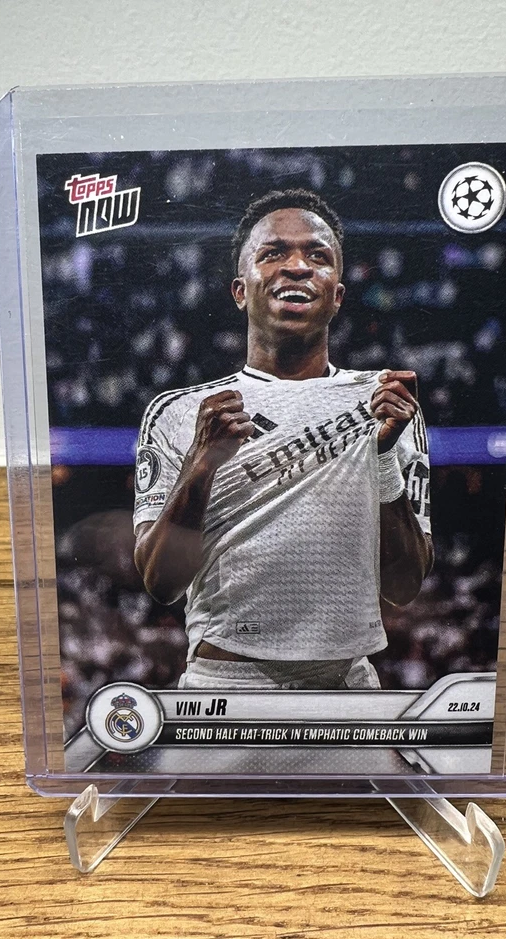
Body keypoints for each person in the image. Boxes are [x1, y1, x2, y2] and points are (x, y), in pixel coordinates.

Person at [133, 189, 433, 690]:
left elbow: (404, 587)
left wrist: (382, 458)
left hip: (348, 684)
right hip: (226, 684)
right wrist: (202, 464)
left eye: (318, 256)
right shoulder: (180, 412)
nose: (297, 267)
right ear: (240, 290)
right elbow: (161, 584)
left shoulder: (389, 402)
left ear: (337, 294)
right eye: (273, 253)